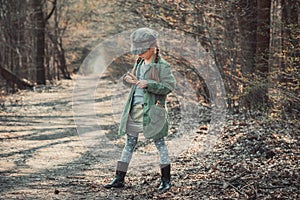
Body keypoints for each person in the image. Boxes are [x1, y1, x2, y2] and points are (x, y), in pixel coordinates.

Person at [104, 27, 176, 192]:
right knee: (129, 144)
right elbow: (134, 84)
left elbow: (169, 86)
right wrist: (127, 80)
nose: (139, 54)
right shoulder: (139, 62)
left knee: (160, 143)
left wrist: (149, 84)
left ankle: (166, 180)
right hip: (134, 110)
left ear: (152, 48)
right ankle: (119, 178)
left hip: (153, 112)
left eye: (142, 51)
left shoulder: (163, 66)